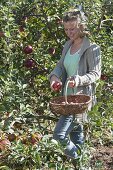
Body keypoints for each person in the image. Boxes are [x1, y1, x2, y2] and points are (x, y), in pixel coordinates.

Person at [49, 8, 101, 159]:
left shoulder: (92, 47)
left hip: (80, 100)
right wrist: (54, 77)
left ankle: (79, 157)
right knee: (77, 138)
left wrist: (78, 79)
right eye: (66, 29)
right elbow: (60, 66)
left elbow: (95, 74)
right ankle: (83, 164)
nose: (69, 32)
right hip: (67, 101)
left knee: (59, 136)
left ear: (81, 26)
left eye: (72, 28)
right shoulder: (67, 45)